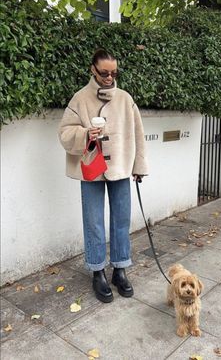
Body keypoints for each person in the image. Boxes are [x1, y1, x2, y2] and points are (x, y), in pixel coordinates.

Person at [58, 48, 148, 303]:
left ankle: (120, 269)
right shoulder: (80, 99)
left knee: (121, 220)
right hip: (91, 168)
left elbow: (138, 134)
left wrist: (139, 167)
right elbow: (64, 132)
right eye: (104, 73)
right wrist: (85, 134)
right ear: (92, 70)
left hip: (120, 167)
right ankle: (97, 271)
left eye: (114, 73)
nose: (109, 77)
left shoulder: (125, 99)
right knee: (94, 222)